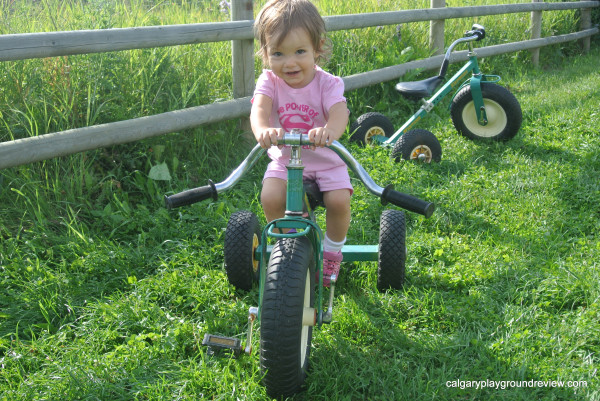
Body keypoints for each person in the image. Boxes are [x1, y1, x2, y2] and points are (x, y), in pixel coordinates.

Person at [250, 0, 351, 286]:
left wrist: (329, 131)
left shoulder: (328, 83)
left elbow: (339, 112)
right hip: (286, 160)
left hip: (326, 162)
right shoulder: (269, 81)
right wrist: (263, 129)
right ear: (266, 53)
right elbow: (258, 109)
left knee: (339, 200)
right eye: (278, 53)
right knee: (270, 197)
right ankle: (287, 245)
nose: (289, 62)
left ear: (318, 48)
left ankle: (332, 253)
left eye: (300, 52)